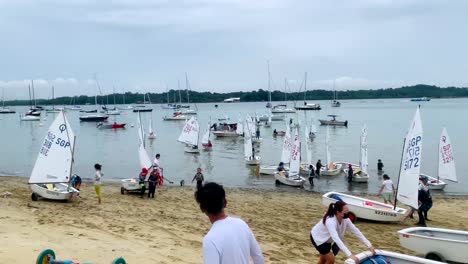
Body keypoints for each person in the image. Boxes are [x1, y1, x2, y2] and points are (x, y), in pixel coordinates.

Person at [195, 182, 264, 264]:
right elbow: (258, 257)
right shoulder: (241, 224)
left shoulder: (210, 239)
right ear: (225, 203)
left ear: (202, 208)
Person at [310, 201, 375, 263]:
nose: (347, 214)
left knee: (323, 259)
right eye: (345, 212)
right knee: (331, 259)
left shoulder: (346, 219)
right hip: (318, 238)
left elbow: (356, 231)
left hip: (327, 239)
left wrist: (369, 246)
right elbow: (336, 238)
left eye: (348, 211)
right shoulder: (330, 221)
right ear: (338, 212)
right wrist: (350, 255)